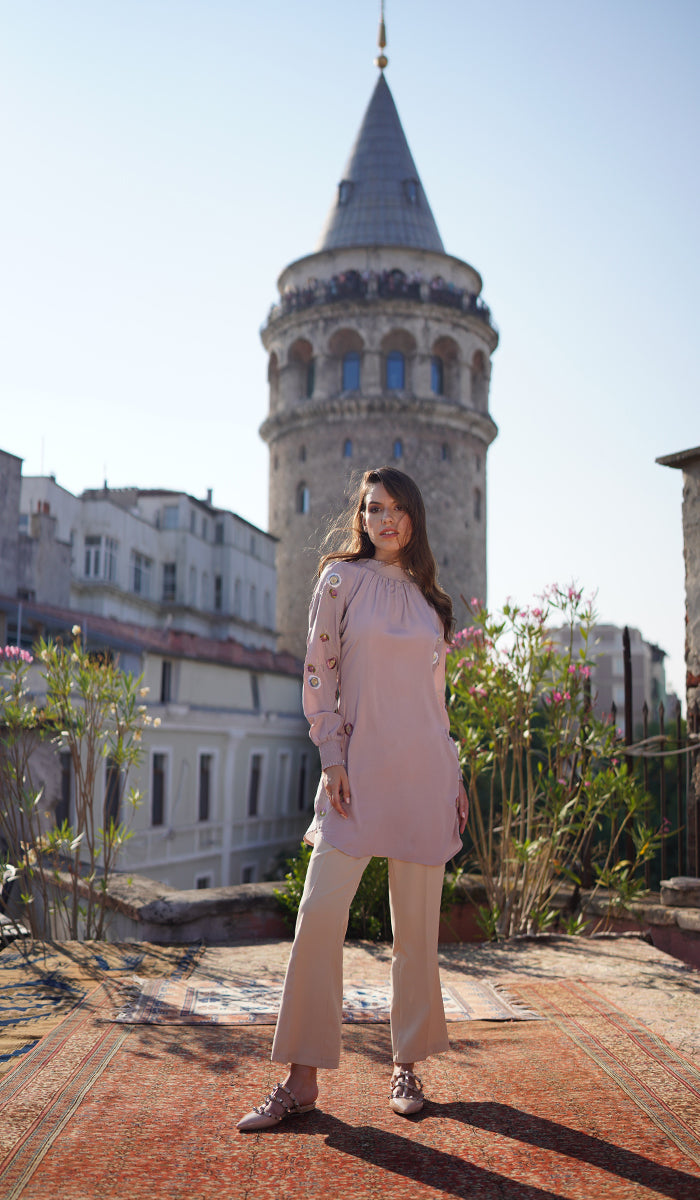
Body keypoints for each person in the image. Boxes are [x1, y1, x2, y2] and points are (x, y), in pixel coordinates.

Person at [237, 466, 468, 1132]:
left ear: (414, 517)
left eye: (396, 507)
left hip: (425, 774)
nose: (385, 518)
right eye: (373, 508)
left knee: (416, 934)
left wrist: (453, 776)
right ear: (360, 518)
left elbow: (436, 705)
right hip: (356, 776)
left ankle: (407, 1062)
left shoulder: (432, 603)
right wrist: (331, 755)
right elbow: (320, 675)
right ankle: (300, 1078)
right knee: (317, 915)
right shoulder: (339, 582)